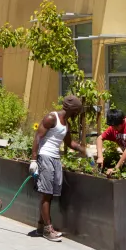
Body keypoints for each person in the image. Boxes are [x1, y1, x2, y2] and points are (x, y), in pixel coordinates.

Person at [29, 95, 86, 242]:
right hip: (45, 157)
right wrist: (34, 159)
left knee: (51, 194)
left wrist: (83, 149)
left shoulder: (66, 124)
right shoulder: (51, 118)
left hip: (55, 158)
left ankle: (41, 227)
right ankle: (48, 230)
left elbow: (68, 143)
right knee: (46, 194)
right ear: (71, 109)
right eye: (76, 112)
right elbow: (37, 137)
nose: (77, 115)